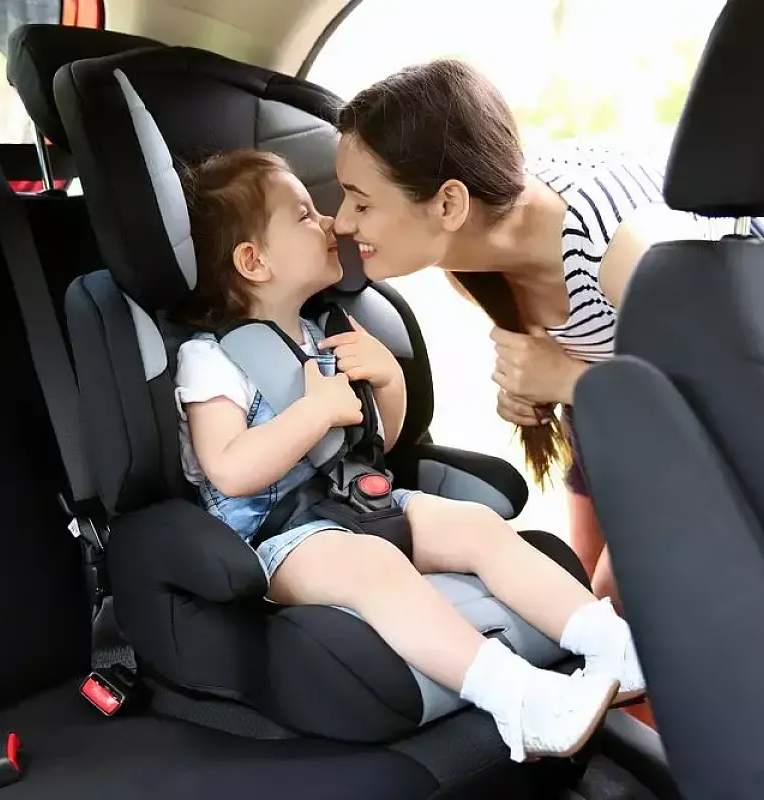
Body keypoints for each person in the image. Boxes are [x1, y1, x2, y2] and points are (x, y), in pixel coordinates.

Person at [170, 148, 645, 762]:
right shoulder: (211, 359)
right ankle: (516, 699)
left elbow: (378, 444)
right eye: (305, 215)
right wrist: (313, 410)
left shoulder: (328, 333)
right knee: (376, 569)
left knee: (477, 525)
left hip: (365, 501)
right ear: (253, 260)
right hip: (284, 540)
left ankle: (610, 641)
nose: (331, 225)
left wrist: (388, 382)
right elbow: (229, 470)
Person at [333, 57, 719, 607]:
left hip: (707, 441)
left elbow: (726, 404)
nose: (343, 222)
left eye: (362, 201)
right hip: (620, 421)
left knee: (614, 605)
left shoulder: (620, 249)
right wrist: (544, 384)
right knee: (577, 584)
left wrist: (567, 378)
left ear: (448, 202)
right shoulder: (469, 254)